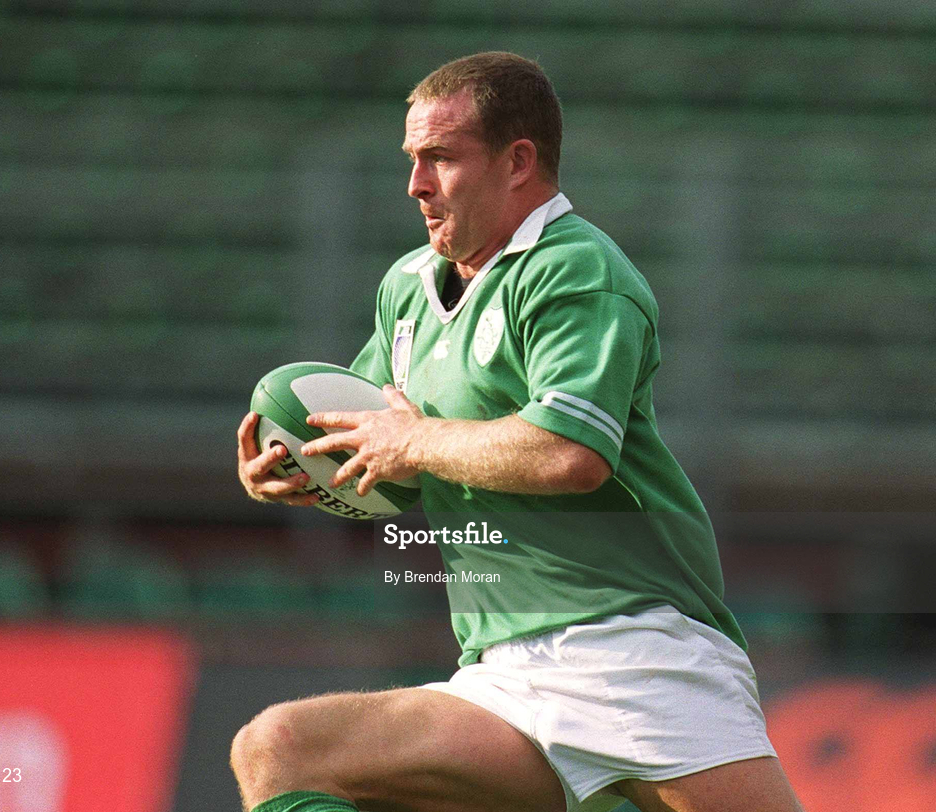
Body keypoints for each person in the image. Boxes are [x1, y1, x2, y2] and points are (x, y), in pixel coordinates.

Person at [234, 52, 804, 812]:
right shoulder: (405, 289)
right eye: (411, 159)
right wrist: (302, 469)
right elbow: (384, 452)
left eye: (440, 158)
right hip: (501, 676)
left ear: (519, 161)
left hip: (634, 650)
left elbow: (571, 454)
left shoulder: (576, 270)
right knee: (278, 748)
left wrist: (411, 441)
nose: (416, 185)